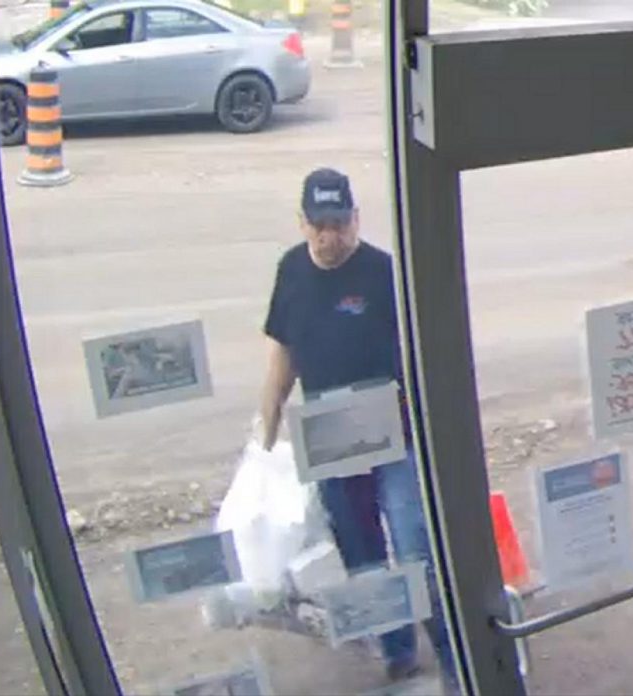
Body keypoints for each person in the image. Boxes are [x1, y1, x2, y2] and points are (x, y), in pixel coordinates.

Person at [259, 167, 457, 689]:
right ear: (302, 222)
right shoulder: (291, 272)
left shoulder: (383, 272)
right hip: (329, 440)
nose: (330, 237)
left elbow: (421, 356)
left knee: (414, 546)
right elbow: (282, 358)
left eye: (340, 224)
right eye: (319, 225)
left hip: (392, 431)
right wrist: (267, 438)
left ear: (356, 219)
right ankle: (397, 651)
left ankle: (453, 650)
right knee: (361, 552)